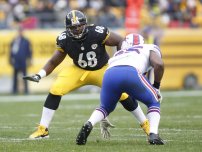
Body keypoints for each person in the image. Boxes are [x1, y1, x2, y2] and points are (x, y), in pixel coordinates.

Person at [23, 10, 149, 139]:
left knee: (123, 94)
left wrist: (120, 59)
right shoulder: (64, 39)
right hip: (78, 69)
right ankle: (43, 130)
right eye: (73, 27)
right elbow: (53, 61)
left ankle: (146, 124)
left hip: (101, 68)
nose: (77, 29)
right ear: (68, 28)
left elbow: (120, 41)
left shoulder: (97, 32)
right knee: (56, 89)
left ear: (85, 24)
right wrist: (39, 75)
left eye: (79, 26)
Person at [76, 33, 165, 145]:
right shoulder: (149, 47)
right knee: (154, 102)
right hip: (130, 72)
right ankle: (153, 135)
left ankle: (89, 123)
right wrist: (156, 86)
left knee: (105, 107)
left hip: (109, 74)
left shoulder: (119, 53)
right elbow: (159, 65)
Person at [9, 26, 32, 94]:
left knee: (25, 76)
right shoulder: (14, 41)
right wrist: (11, 59)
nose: (20, 32)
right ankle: (14, 90)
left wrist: (29, 59)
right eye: (19, 31)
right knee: (15, 76)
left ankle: (26, 90)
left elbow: (29, 51)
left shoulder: (26, 41)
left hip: (23, 61)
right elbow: (11, 51)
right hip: (16, 61)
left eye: (21, 31)